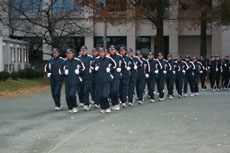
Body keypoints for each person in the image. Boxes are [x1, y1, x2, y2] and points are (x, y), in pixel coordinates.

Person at [91, 47, 116, 113]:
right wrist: (94, 69)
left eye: (102, 52)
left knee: (105, 95)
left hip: (106, 80)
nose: (101, 53)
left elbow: (115, 65)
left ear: (105, 52)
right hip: (99, 80)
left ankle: (107, 107)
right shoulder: (97, 59)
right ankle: (103, 108)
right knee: (100, 95)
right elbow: (91, 66)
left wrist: (110, 69)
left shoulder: (109, 59)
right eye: (100, 52)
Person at [59, 48, 85, 113]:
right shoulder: (64, 62)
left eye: (70, 53)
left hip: (75, 81)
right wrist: (64, 73)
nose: (69, 55)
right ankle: (70, 108)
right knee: (67, 96)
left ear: (73, 54)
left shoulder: (77, 61)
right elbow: (60, 71)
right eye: (67, 53)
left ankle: (75, 106)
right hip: (67, 81)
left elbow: (83, 69)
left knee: (72, 94)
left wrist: (79, 71)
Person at [109, 45, 125, 111]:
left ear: (115, 50)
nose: (112, 50)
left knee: (114, 90)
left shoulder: (119, 56)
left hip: (116, 76)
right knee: (110, 91)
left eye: (113, 49)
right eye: (110, 49)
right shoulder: (108, 57)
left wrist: (120, 68)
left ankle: (117, 103)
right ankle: (114, 104)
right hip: (109, 76)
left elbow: (124, 65)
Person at [78, 46, 94, 111]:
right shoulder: (78, 59)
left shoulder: (90, 58)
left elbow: (94, 65)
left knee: (86, 90)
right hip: (81, 78)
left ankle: (86, 104)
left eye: (84, 50)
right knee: (80, 91)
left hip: (88, 77)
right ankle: (83, 101)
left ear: (87, 51)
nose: (83, 51)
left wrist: (92, 70)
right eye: (82, 50)